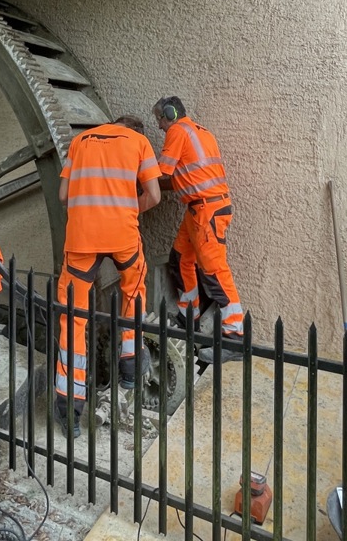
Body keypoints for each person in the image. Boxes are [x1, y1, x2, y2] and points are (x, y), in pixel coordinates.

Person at [54, 115, 162, 438]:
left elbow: (63, 195)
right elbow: (154, 196)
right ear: (136, 131)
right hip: (123, 236)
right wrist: (127, 208)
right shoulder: (139, 143)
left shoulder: (80, 141)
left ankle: (69, 412)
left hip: (82, 237)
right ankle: (130, 368)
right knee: (134, 290)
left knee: (72, 317)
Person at [153, 96, 244, 364]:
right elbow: (184, 177)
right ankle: (188, 315)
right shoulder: (200, 132)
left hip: (206, 211)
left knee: (214, 272)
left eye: (158, 119)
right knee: (181, 258)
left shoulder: (177, 131)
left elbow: (162, 173)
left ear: (169, 114)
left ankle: (234, 336)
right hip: (200, 209)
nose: (158, 126)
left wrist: (132, 180)